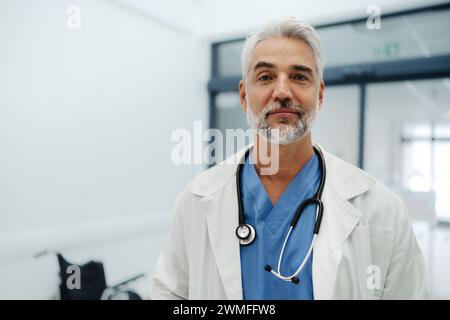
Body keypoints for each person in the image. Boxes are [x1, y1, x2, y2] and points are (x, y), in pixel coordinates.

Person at [151, 18, 428, 300]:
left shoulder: (383, 210)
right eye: (265, 77)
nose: (282, 92)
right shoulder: (195, 201)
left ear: (319, 95)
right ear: (245, 96)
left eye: (298, 76)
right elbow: (169, 293)